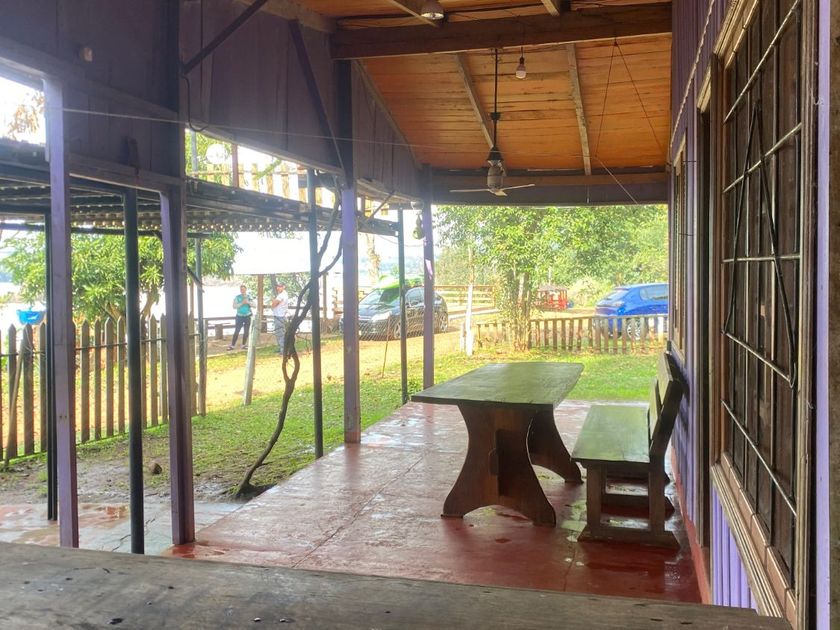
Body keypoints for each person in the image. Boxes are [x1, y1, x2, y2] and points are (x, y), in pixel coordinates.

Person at [228, 284, 252, 350]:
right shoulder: (237, 297)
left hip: (247, 316)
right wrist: (242, 303)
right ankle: (232, 345)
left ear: (246, 289)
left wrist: (248, 302)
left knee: (246, 331)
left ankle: (243, 345)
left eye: (243, 289)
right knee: (237, 331)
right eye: (241, 289)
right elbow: (234, 306)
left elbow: (254, 305)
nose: (242, 290)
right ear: (240, 290)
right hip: (239, 316)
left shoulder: (249, 297)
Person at [271, 282, 289, 355]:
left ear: (284, 287)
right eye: (278, 286)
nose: (278, 288)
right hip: (281, 315)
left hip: (279, 316)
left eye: (280, 286)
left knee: (280, 333)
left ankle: (283, 350)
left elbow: (275, 303)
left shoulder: (281, 295)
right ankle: (281, 348)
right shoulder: (284, 294)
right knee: (280, 333)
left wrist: (272, 304)